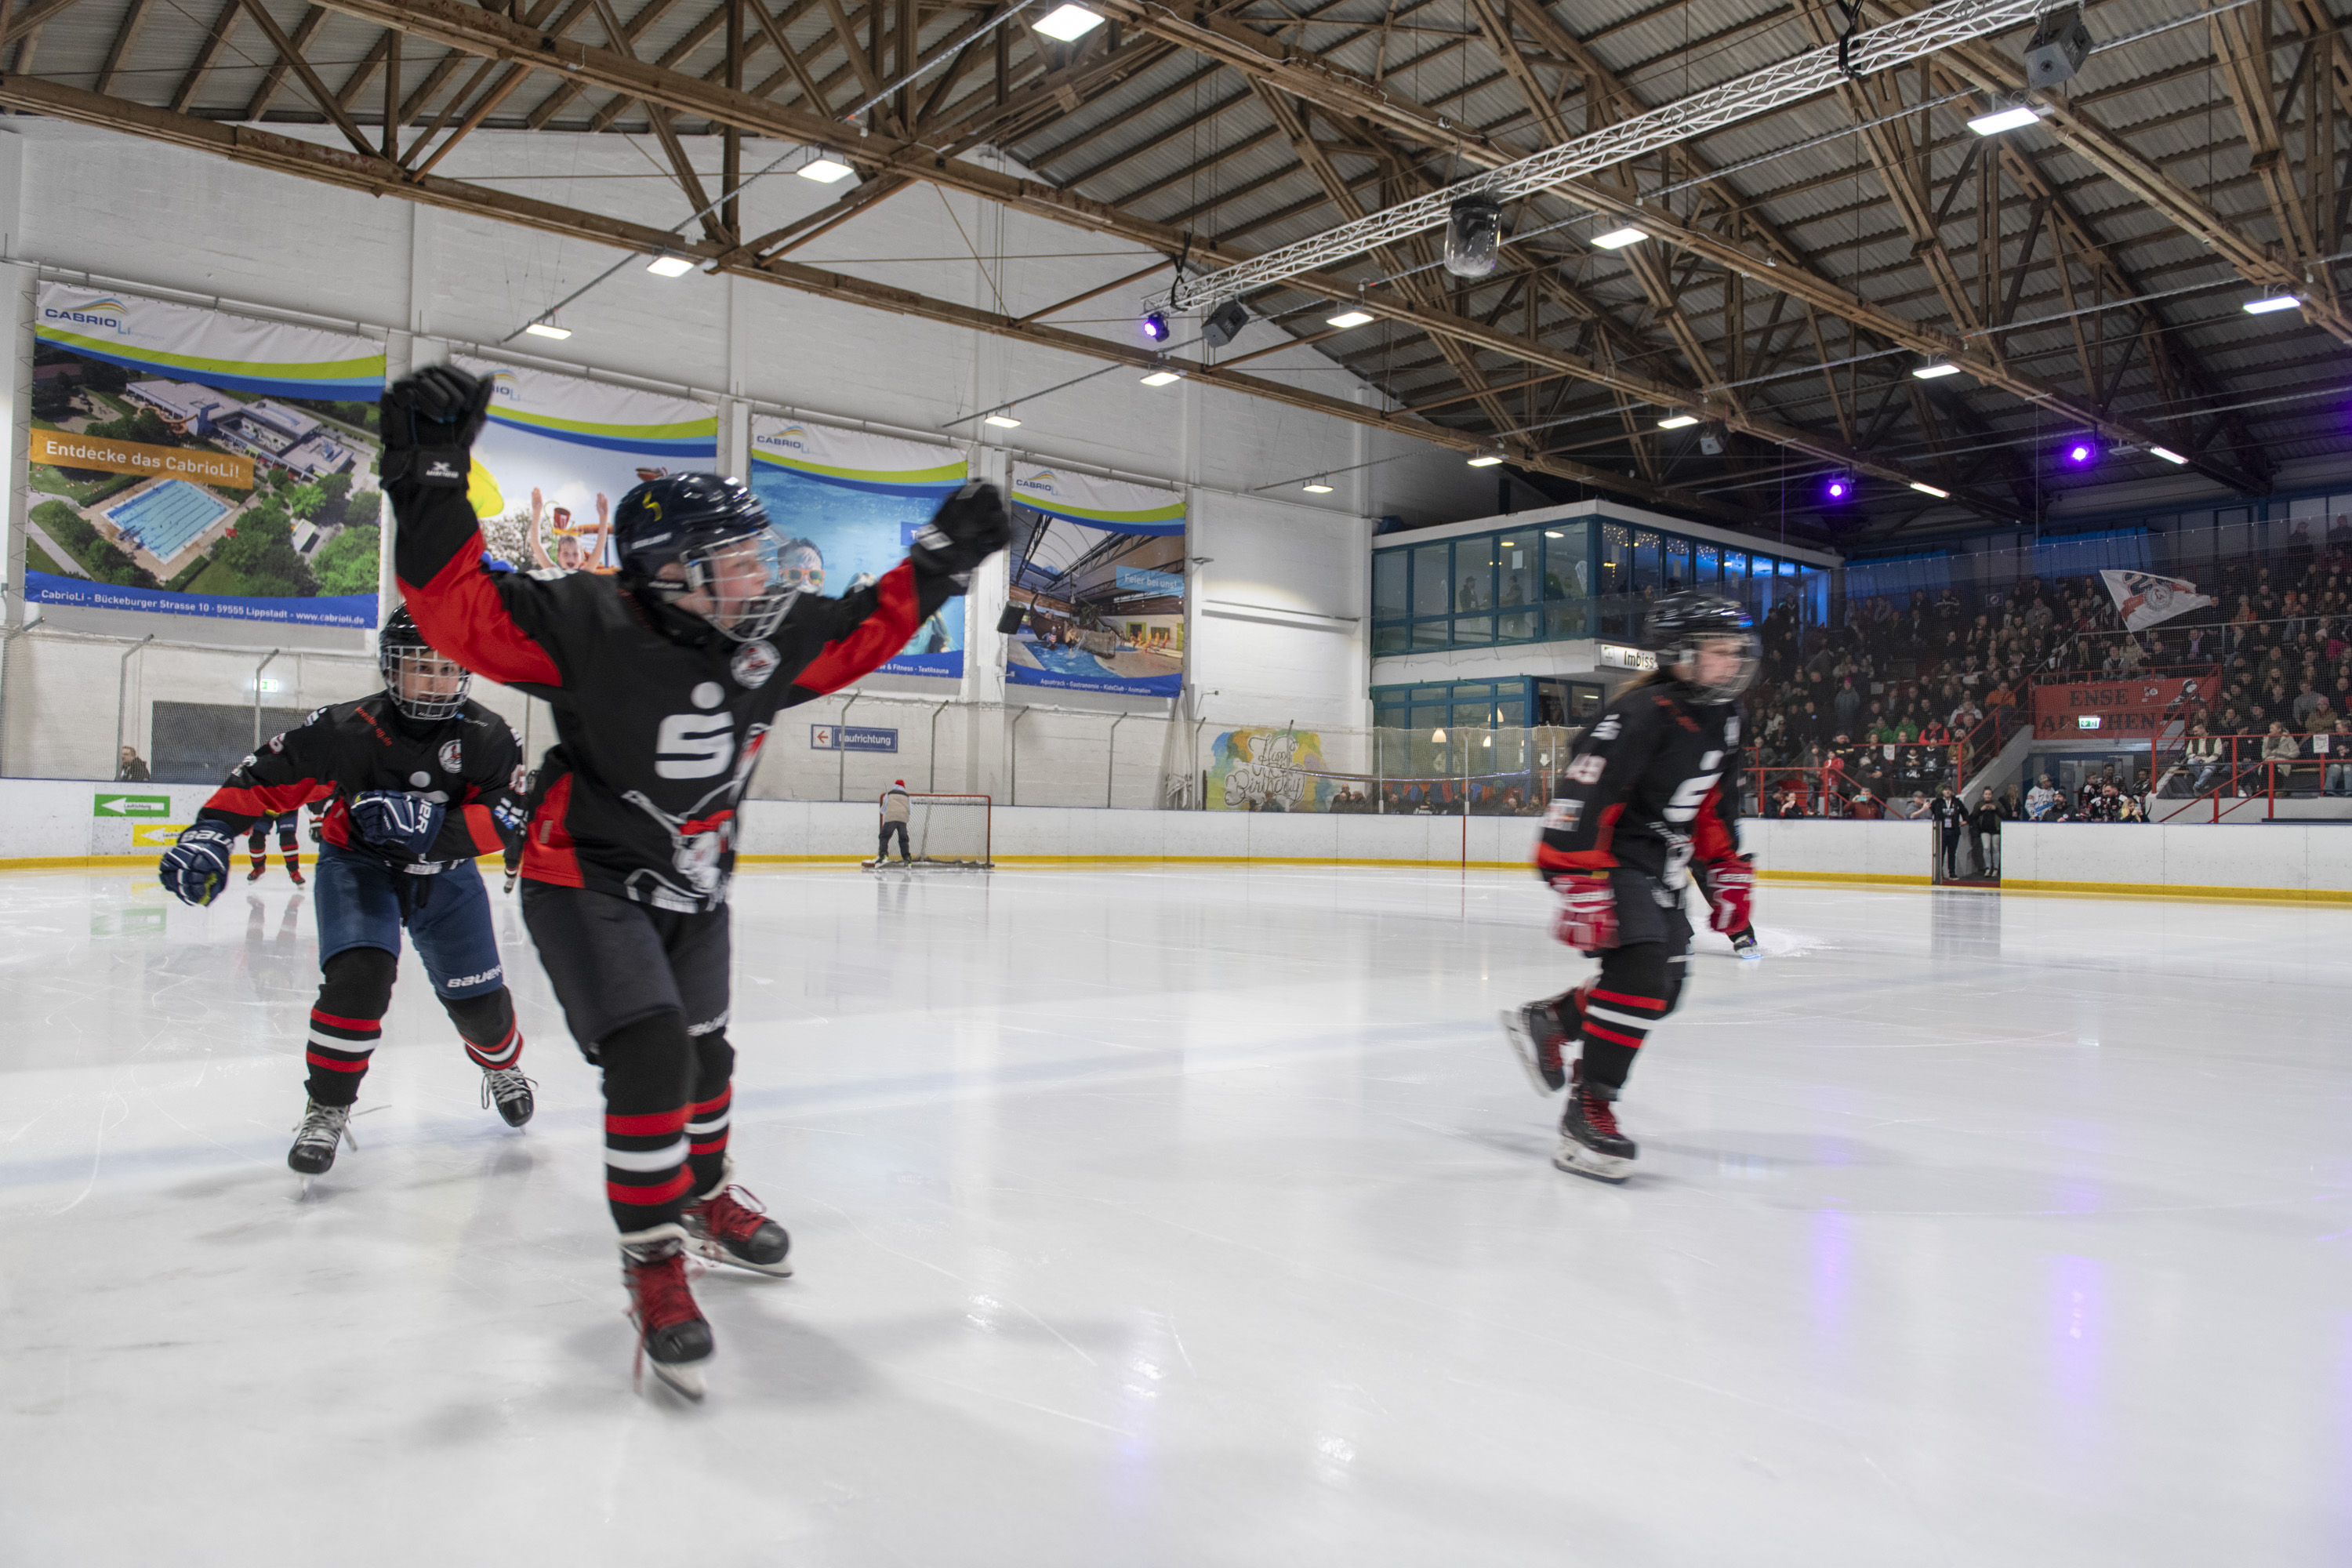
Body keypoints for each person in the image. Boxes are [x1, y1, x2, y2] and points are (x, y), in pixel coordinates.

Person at [380, 364, 1011, 1399]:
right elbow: (458, 614)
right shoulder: (589, 625)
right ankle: (654, 1263)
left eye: (759, 555)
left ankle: (706, 1194)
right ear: (669, 573)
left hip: (695, 886)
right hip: (584, 874)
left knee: (708, 1063)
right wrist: (427, 481)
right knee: (650, 1057)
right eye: (734, 561)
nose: (759, 578)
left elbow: (866, 626)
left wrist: (940, 562)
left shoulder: (770, 638)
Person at [155, 608, 535, 1175]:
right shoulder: (342, 729)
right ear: (390, 668)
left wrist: (430, 829)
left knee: (479, 1006)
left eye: (447, 669)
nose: (435, 683)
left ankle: (501, 1064)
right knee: (359, 976)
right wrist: (212, 829)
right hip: (358, 866)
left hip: (448, 875)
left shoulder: (489, 736)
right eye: (419, 668)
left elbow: (507, 818)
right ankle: (327, 1107)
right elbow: (262, 780)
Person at [1497, 591, 1756, 1184]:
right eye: (1719, 652)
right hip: (1611, 858)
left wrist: (1726, 879)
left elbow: (1712, 807)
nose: (1732, 662)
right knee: (1639, 974)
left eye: (1736, 651)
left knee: (1662, 992)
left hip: (1660, 864)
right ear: (1680, 654)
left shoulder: (1729, 716)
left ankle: (1555, 1020)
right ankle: (1591, 1108)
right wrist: (1576, 875)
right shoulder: (1639, 714)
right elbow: (1583, 795)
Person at [245, 808, 306, 885]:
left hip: (287, 806)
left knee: (288, 839)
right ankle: (258, 867)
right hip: (264, 806)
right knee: (256, 838)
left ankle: (294, 871)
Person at [1928, 784, 1965, 878]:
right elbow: (1929, 813)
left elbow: (1965, 812)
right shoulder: (1937, 802)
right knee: (1940, 852)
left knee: (1952, 853)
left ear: (1952, 792)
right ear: (1943, 791)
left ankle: (1952, 873)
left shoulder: (1957, 802)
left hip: (1954, 831)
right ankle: (1938, 873)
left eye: (1949, 790)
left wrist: (1966, 821)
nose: (1947, 792)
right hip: (1941, 831)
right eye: (1945, 790)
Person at [878, 779, 913, 864]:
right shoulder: (907, 796)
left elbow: (883, 808)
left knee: (884, 836)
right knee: (903, 838)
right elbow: (910, 809)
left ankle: (883, 855)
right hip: (902, 819)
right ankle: (907, 857)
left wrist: (886, 811)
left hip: (891, 818)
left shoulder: (889, 794)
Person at [1968, 790, 2002, 878]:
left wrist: (1996, 809)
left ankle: (1996, 868)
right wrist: (1981, 810)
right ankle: (1988, 868)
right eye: (1986, 794)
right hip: (1984, 830)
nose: (1988, 796)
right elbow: (1972, 816)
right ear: (1983, 795)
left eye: (1989, 794)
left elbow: (2005, 814)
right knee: (1986, 848)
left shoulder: (1997, 804)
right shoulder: (1979, 804)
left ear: (1992, 795)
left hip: (1996, 829)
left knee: (1995, 848)